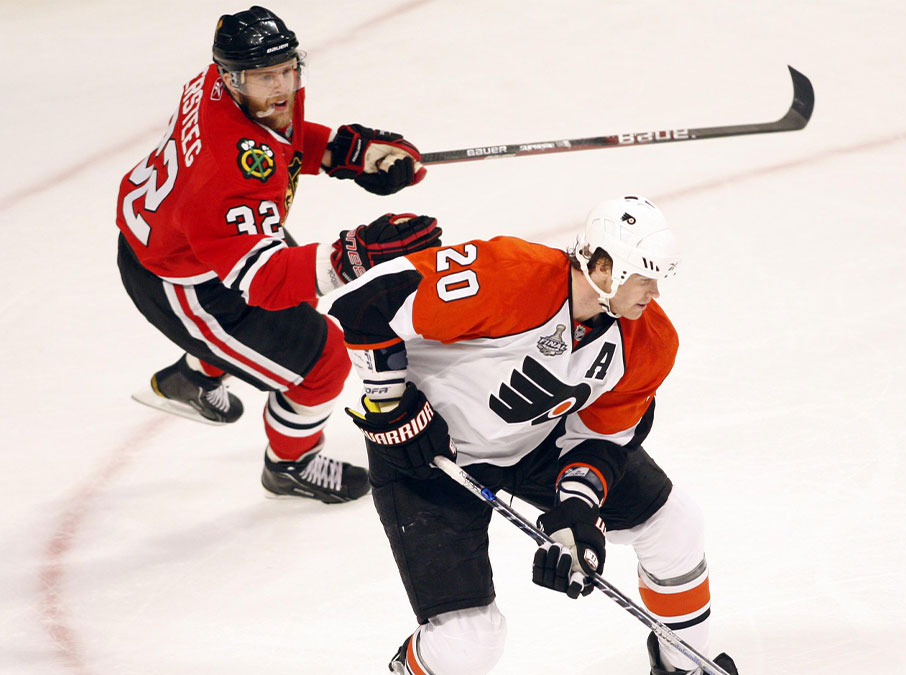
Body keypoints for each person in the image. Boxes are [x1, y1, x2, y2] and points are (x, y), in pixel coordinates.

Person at [328, 195, 740, 674]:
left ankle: (681, 667)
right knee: (470, 643)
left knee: (675, 525)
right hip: (428, 457)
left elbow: (601, 440)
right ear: (605, 269)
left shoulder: (649, 341)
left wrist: (577, 512)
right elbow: (362, 304)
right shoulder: (507, 275)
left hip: (537, 441)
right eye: (645, 276)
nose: (655, 292)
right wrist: (390, 406)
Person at [115, 5, 442, 504]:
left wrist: (346, 152)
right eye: (266, 76)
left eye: (288, 68)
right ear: (231, 75)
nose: (282, 86)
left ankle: (195, 375)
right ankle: (289, 465)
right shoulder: (227, 172)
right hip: (186, 282)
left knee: (301, 314)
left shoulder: (229, 88)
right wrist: (362, 251)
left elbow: (271, 146)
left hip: (193, 238)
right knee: (324, 362)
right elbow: (265, 279)